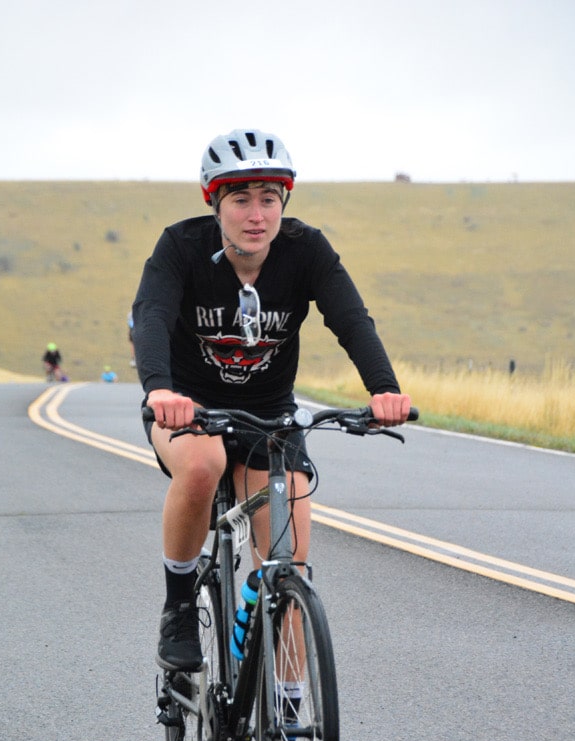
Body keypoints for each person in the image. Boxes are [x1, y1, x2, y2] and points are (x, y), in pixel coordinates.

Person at [133, 128, 412, 673]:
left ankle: (286, 724)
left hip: (270, 416)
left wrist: (384, 388)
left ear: (285, 200)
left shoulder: (305, 250)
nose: (256, 214)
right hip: (187, 410)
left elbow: (351, 319)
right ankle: (181, 605)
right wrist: (160, 390)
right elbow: (153, 317)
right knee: (204, 463)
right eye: (240, 199)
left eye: (269, 198)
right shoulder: (181, 248)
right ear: (213, 201)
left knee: (290, 569)